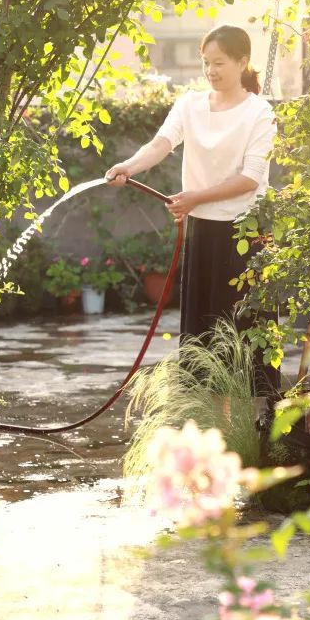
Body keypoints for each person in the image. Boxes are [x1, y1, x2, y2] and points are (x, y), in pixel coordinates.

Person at [106, 24, 279, 403]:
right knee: (203, 334)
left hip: (244, 234)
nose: (211, 71)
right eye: (206, 63)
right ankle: (211, 421)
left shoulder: (260, 113)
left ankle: (257, 425)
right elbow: (162, 143)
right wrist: (129, 167)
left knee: (246, 330)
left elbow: (251, 178)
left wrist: (196, 197)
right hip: (202, 231)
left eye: (219, 63)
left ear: (242, 61)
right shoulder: (190, 105)